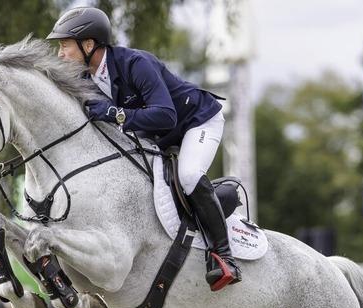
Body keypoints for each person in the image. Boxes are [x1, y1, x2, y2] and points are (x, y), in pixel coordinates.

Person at [46, 7, 241, 291]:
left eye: (64, 46)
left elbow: (166, 115)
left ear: (89, 45)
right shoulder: (85, 79)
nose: (60, 54)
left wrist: (115, 113)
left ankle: (223, 256)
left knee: (187, 175)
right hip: (157, 135)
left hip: (196, 122)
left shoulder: (135, 63)